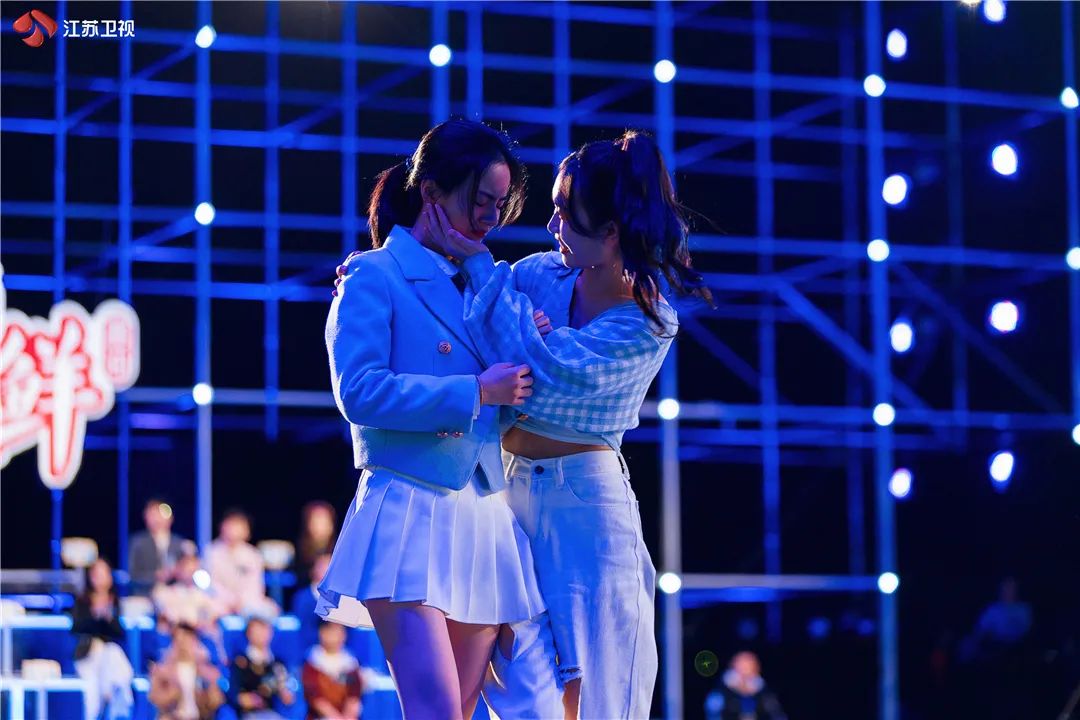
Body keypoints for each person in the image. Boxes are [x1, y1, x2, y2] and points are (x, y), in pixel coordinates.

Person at [424, 129, 713, 719]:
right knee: (519, 690)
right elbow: (468, 321)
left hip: (583, 506)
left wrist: (498, 302)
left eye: (564, 212)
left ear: (610, 232)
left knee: (597, 692)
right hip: (504, 494)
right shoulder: (542, 275)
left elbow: (547, 376)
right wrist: (371, 274)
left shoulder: (649, 322)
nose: (551, 224)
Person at [318, 118, 548, 720]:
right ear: (431, 192)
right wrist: (474, 391)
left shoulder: (486, 283)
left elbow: (526, 392)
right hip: (409, 507)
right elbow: (359, 391)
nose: (490, 218)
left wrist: (498, 297)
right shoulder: (374, 274)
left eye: (500, 204)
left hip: (483, 511)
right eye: (479, 200)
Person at [71, 557, 135, 720]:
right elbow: (77, 628)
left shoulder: (115, 601)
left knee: (112, 652)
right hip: (88, 656)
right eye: (96, 574)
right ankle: (113, 700)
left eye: (103, 573)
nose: (99, 578)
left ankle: (114, 698)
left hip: (108, 658)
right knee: (93, 691)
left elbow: (119, 634)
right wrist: (95, 615)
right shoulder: (82, 601)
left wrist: (108, 618)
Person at [206, 509, 277, 617]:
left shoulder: (253, 555)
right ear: (222, 527)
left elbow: (255, 586)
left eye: (238, 526)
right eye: (231, 525)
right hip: (218, 601)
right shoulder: (210, 552)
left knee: (269, 609)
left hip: (247, 603)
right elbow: (210, 584)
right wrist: (231, 601)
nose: (234, 530)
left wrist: (242, 602)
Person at [149, 623, 226, 720]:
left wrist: (208, 698)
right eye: (178, 639)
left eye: (186, 639)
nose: (182, 644)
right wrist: (172, 696)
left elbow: (217, 699)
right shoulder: (162, 671)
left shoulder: (209, 672)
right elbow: (154, 697)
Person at [229, 616, 295, 719]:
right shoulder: (241, 662)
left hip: (273, 713)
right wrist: (245, 699)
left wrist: (285, 693)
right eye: (257, 630)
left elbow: (288, 696)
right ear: (248, 633)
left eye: (265, 630)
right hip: (249, 714)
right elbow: (234, 693)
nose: (261, 634)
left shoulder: (277, 663)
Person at [301, 621, 364, 720]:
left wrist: (349, 716)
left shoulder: (349, 663)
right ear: (322, 633)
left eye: (341, 631)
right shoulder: (313, 663)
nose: (338, 636)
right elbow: (315, 696)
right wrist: (336, 717)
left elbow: (354, 694)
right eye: (333, 632)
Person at [704, 651, 787, 720]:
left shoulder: (765, 694)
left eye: (750, 666)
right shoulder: (720, 693)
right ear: (733, 666)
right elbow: (713, 715)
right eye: (742, 666)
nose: (746, 670)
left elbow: (777, 714)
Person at [129, 498, 186, 594]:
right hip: (145, 595)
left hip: (176, 594)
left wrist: (180, 572)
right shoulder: (137, 542)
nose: (157, 519)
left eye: (160, 514)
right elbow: (132, 575)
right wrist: (156, 576)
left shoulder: (180, 543)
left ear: (170, 517)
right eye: (152, 515)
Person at [294, 501, 337, 587]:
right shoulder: (298, 552)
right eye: (316, 521)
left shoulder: (338, 550)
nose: (320, 527)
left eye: (324, 522)